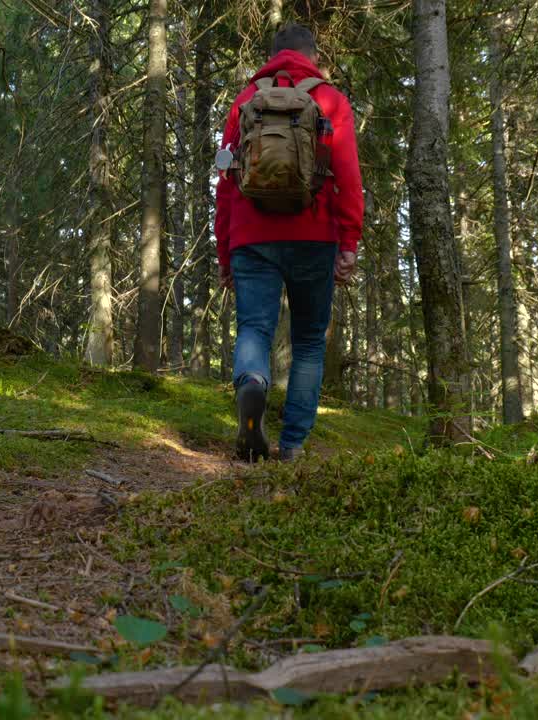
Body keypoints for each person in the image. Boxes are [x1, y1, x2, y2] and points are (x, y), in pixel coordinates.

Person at [215, 24, 364, 462]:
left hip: (252, 234)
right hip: (314, 235)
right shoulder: (330, 99)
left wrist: (226, 250)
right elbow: (349, 178)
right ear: (311, 56)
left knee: (254, 328)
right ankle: (294, 443)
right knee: (310, 341)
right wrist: (349, 241)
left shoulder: (244, 100)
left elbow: (225, 182)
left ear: (273, 56)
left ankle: (253, 386)